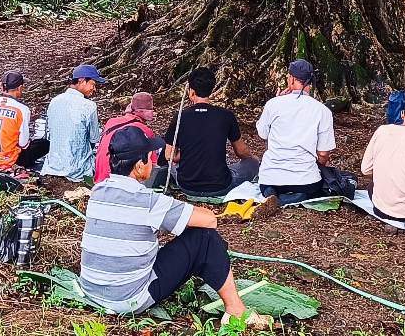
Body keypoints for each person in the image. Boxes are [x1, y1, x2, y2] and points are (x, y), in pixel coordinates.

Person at [77, 126, 273, 329]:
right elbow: (209, 221)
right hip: (129, 298)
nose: (153, 162)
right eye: (150, 158)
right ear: (138, 166)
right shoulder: (148, 201)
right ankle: (236, 311)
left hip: (91, 290)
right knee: (205, 238)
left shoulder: (97, 192)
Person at [163, 66, 259, 197]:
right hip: (220, 185)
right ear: (211, 89)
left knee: (169, 167)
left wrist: (187, 152)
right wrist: (253, 158)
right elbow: (241, 152)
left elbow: (169, 156)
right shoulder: (226, 116)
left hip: (186, 185)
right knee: (252, 163)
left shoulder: (180, 116)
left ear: (191, 92)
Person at [255, 60, 336, 203]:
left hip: (271, 177)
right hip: (305, 179)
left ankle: (272, 194)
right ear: (310, 82)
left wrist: (275, 101)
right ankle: (298, 196)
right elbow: (323, 153)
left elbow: (262, 133)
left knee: (268, 185)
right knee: (311, 186)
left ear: (291, 79)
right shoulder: (322, 110)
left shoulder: (273, 104)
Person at [42, 65, 105, 181]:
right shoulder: (89, 106)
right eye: (93, 84)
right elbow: (94, 139)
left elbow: (48, 134)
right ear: (81, 81)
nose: (94, 89)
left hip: (52, 166)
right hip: (77, 171)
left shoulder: (54, 101)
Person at [0, 70, 50, 172]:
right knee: (44, 144)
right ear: (20, 88)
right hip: (9, 160)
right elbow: (23, 144)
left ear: (2, 87)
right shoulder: (22, 109)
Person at [95, 93, 160, 184]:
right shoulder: (145, 131)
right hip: (120, 182)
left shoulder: (111, 122)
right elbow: (152, 163)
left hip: (100, 178)